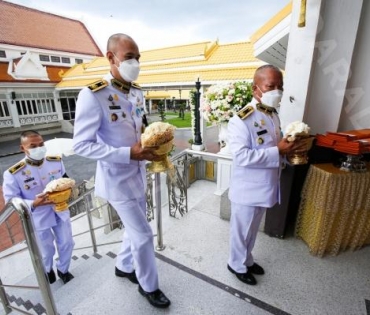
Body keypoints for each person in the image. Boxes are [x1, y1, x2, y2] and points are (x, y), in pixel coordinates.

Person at [72, 33, 171, 309]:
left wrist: (155, 142)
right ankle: (149, 286)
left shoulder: (136, 91)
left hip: (139, 174)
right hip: (116, 179)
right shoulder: (94, 94)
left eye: (138, 58)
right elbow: (81, 144)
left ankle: (123, 265)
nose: (136, 63)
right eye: (129, 57)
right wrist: (127, 153)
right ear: (111, 58)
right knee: (143, 234)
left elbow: (139, 127)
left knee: (134, 228)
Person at [227, 65, 304, 285]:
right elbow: (241, 157)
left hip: (266, 185)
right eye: (271, 86)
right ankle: (236, 264)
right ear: (256, 89)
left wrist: (289, 153)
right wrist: (279, 150)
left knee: (251, 230)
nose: (277, 91)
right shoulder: (241, 119)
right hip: (248, 189)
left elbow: (275, 148)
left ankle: (247, 260)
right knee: (241, 231)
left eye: (280, 86)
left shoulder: (273, 116)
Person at [2, 130, 75, 284]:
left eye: (41, 144)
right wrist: (33, 203)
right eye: (33, 146)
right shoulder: (14, 173)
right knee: (46, 250)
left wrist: (69, 189)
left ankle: (63, 270)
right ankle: (47, 270)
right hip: (37, 216)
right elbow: (11, 201)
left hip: (60, 210)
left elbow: (64, 179)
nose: (39, 148)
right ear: (23, 148)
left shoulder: (56, 161)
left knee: (67, 242)